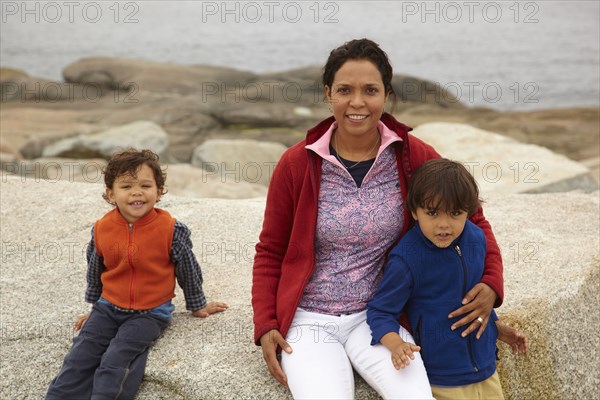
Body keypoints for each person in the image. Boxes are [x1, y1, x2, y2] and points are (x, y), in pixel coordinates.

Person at [252, 38, 504, 399]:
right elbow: (271, 249)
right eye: (345, 90)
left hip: (380, 316)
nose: (357, 102)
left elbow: (472, 215)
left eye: (370, 90)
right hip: (310, 320)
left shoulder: (410, 154)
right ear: (328, 94)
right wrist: (265, 324)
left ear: (386, 95)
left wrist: (493, 283)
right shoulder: (297, 164)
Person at [46, 148, 228, 399]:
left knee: (116, 359)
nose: (136, 192)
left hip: (150, 313)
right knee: (80, 356)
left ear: (159, 191)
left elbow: (188, 267)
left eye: (145, 185)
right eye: (126, 186)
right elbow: (96, 268)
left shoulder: (170, 229)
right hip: (108, 307)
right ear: (111, 193)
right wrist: (93, 306)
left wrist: (198, 305)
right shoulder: (102, 228)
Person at [367, 158, 528, 400]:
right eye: (432, 213)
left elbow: (473, 299)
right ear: (414, 211)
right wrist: (396, 345)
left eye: (455, 213)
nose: (444, 225)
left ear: (468, 211)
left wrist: (497, 329)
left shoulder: (475, 239)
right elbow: (379, 312)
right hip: (442, 378)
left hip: (485, 369)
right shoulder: (406, 259)